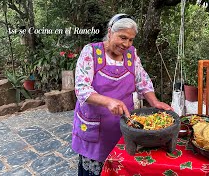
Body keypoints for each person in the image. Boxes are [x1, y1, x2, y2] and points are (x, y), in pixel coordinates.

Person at [72, 13, 173, 176]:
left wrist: (155, 102)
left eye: (131, 39)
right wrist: (108, 102)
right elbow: (82, 88)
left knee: (121, 167)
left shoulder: (132, 55)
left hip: (124, 126)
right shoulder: (91, 52)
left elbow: (143, 81)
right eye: (123, 37)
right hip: (96, 127)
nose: (127, 44)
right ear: (110, 32)